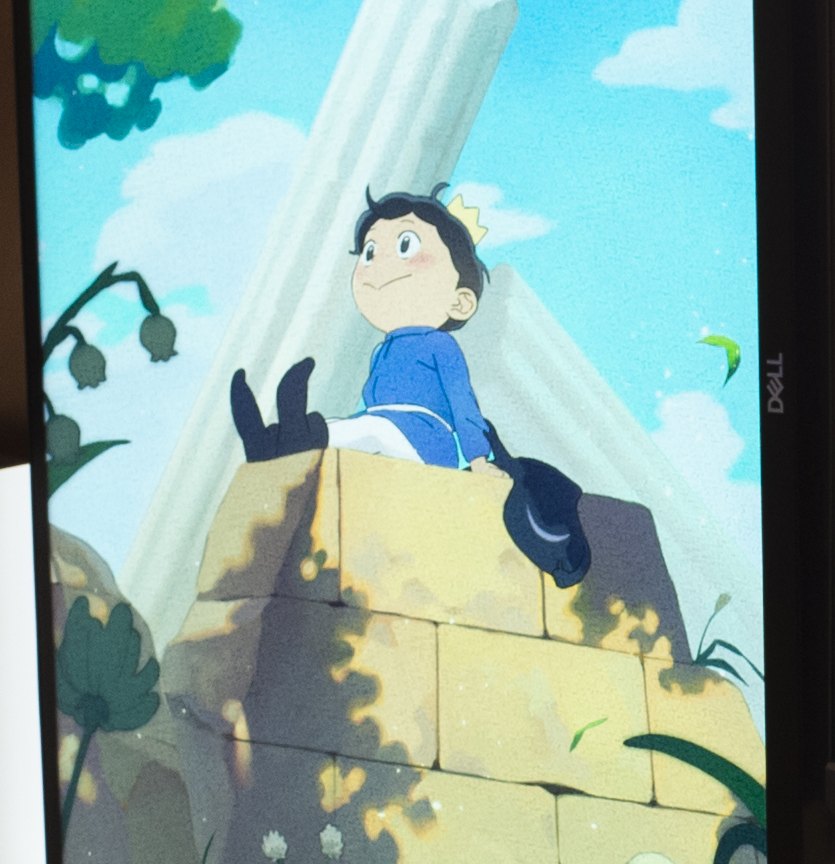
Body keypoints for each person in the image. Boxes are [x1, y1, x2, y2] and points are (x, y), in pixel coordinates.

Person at [232, 189, 590, 583]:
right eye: (369, 252)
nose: (378, 264)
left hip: (429, 442)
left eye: (405, 245)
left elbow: (463, 405)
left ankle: (297, 435)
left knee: (370, 429)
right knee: (362, 428)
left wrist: (478, 460)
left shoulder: (440, 346)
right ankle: (276, 440)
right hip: (390, 435)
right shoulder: (382, 352)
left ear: (460, 302)